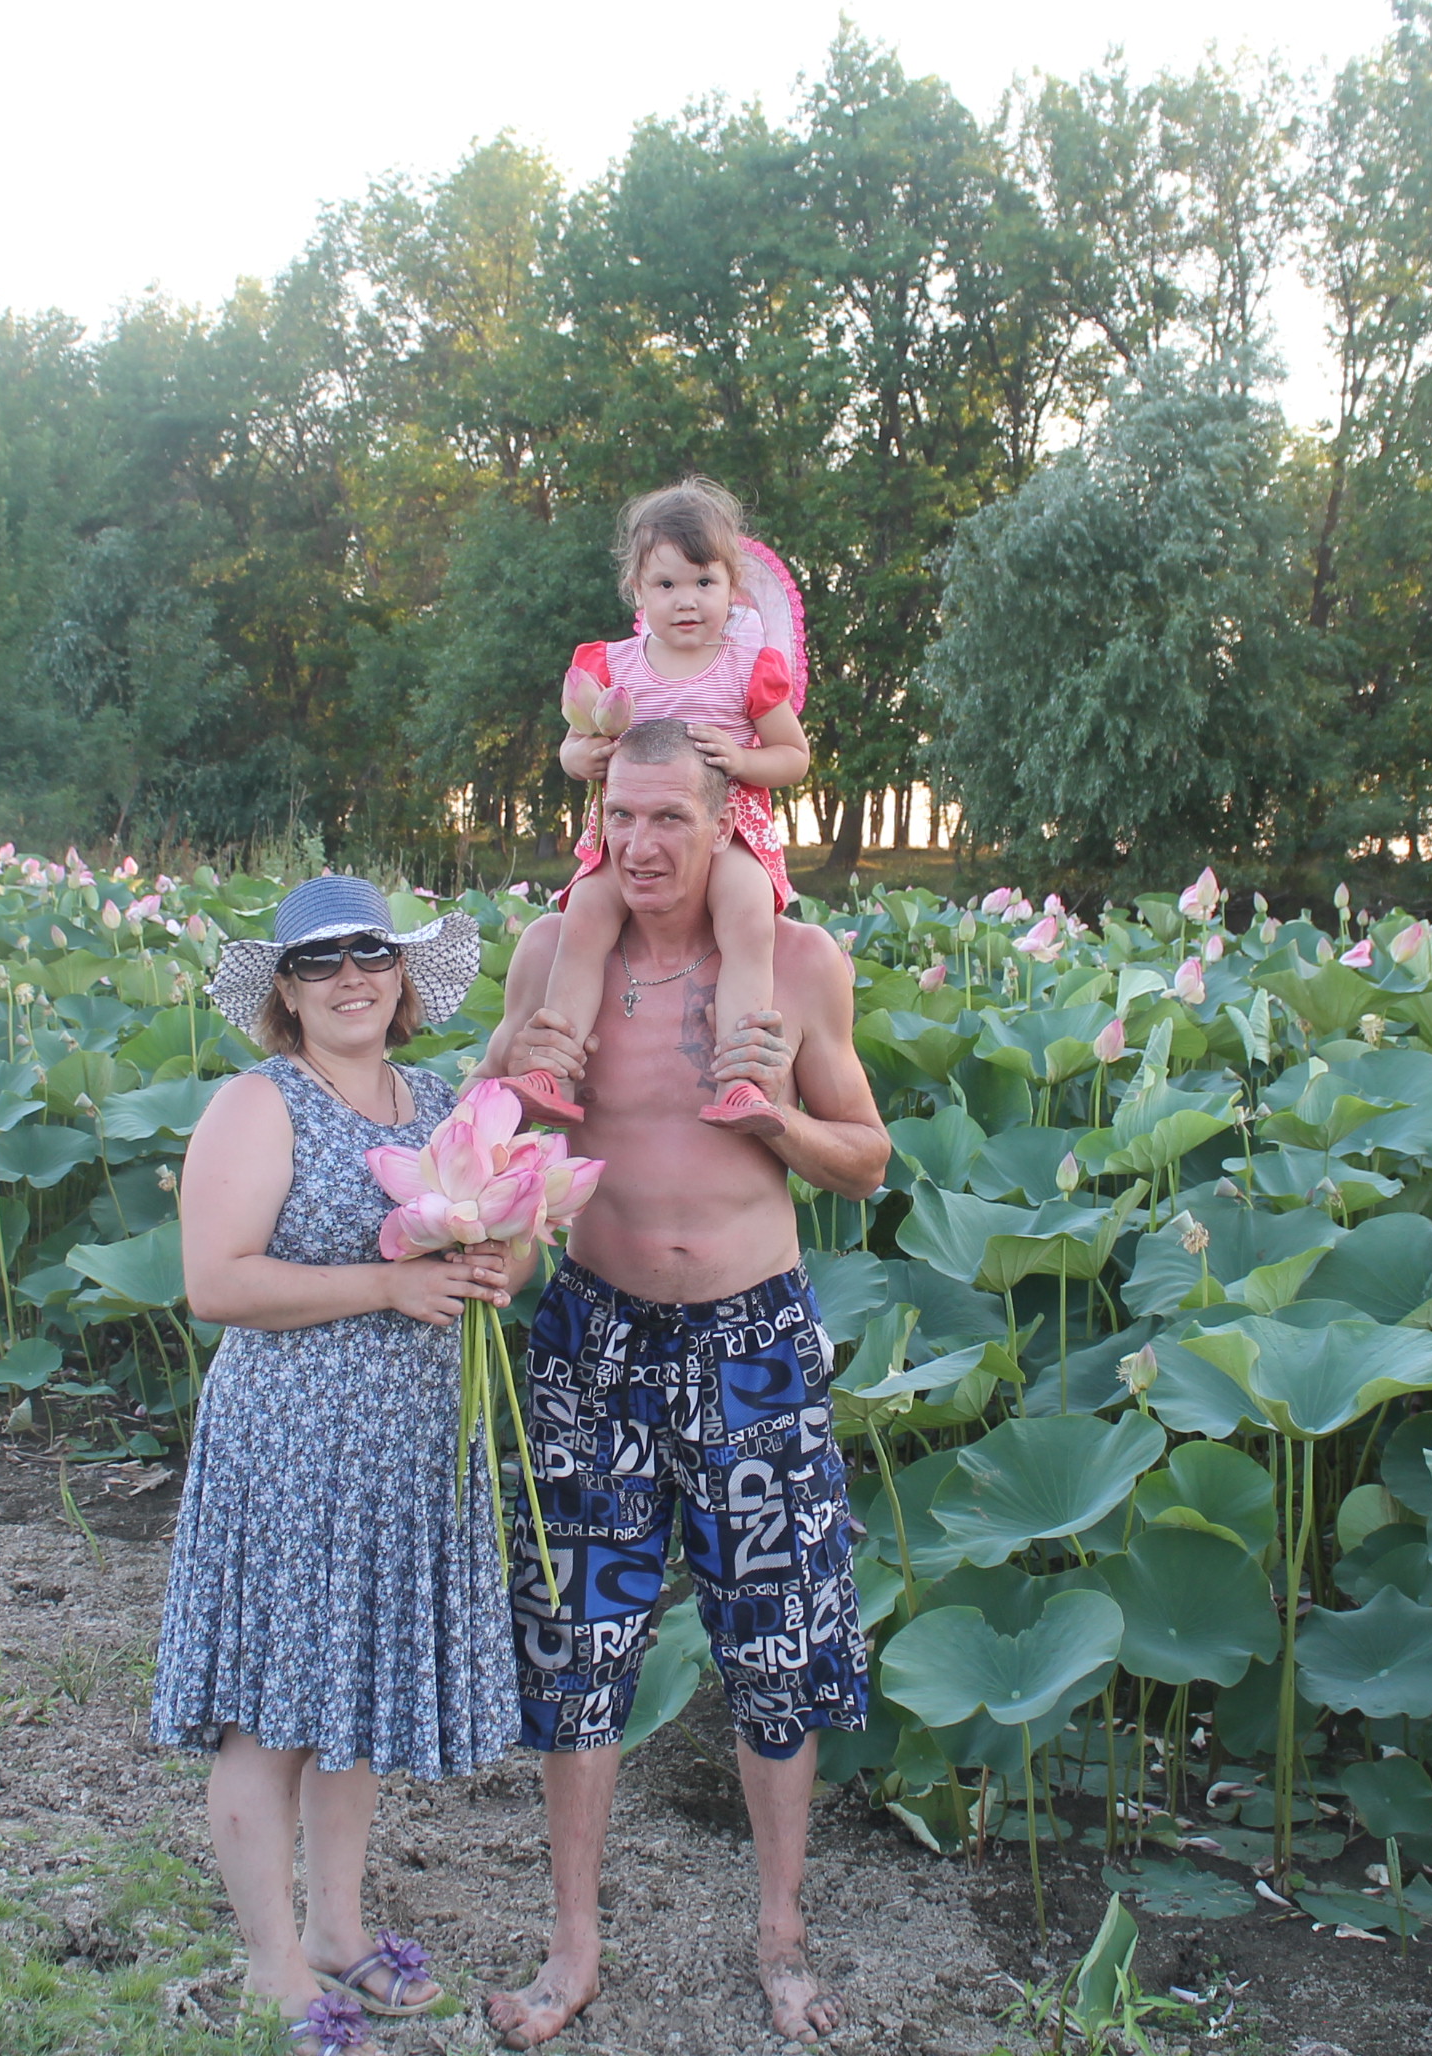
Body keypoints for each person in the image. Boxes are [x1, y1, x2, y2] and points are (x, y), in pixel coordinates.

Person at [475, 721, 894, 2047]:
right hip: (591, 1338)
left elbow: (867, 1156)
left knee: (775, 1643)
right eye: (620, 816)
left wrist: (775, 1118)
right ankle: (572, 1947)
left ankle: (780, 1938)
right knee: (577, 1646)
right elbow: (493, 1121)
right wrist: (505, 1088)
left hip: (751, 1342)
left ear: (726, 825)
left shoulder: (797, 966)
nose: (641, 844)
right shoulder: (556, 952)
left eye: (670, 819)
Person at [150, 874, 520, 2055]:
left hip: (408, 1449)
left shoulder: (442, 1102)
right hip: (292, 1447)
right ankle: (271, 1964)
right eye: (319, 961)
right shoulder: (259, 1104)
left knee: (350, 1696)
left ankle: (338, 1929)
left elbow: (495, 1238)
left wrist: (493, 1262)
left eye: (371, 953)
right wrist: (387, 1285)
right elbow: (215, 1282)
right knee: (271, 1711)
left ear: (403, 974)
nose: (351, 976)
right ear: (287, 991)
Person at [506, 478, 814, 1141]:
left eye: (704, 582)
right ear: (637, 590)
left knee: (747, 915)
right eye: (667, 584)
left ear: (732, 587)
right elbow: (573, 743)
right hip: (632, 834)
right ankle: (555, 1069)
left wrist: (742, 760)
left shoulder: (747, 667)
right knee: (585, 916)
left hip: (728, 828)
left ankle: (740, 1077)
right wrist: (581, 757)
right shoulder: (613, 666)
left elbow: (793, 757)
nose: (687, 600)